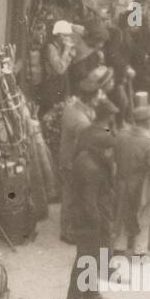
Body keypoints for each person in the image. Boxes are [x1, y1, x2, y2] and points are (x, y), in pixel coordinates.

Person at [65, 99, 117, 299]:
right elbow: (88, 201)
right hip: (88, 218)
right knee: (86, 256)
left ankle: (91, 292)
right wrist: (98, 222)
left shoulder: (94, 159)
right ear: (101, 149)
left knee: (95, 254)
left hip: (96, 213)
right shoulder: (89, 166)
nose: (111, 155)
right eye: (109, 151)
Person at [112, 104, 150, 254]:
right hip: (141, 186)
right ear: (148, 122)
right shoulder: (149, 142)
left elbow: (114, 157)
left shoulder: (121, 135)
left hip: (121, 181)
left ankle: (119, 246)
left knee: (122, 214)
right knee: (142, 218)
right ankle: (139, 251)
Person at [58, 70, 104, 242]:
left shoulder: (74, 107)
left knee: (71, 193)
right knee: (71, 195)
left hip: (68, 156)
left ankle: (69, 226)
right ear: (90, 98)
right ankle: (67, 231)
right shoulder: (79, 119)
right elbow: (92, 137)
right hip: (72, 161)